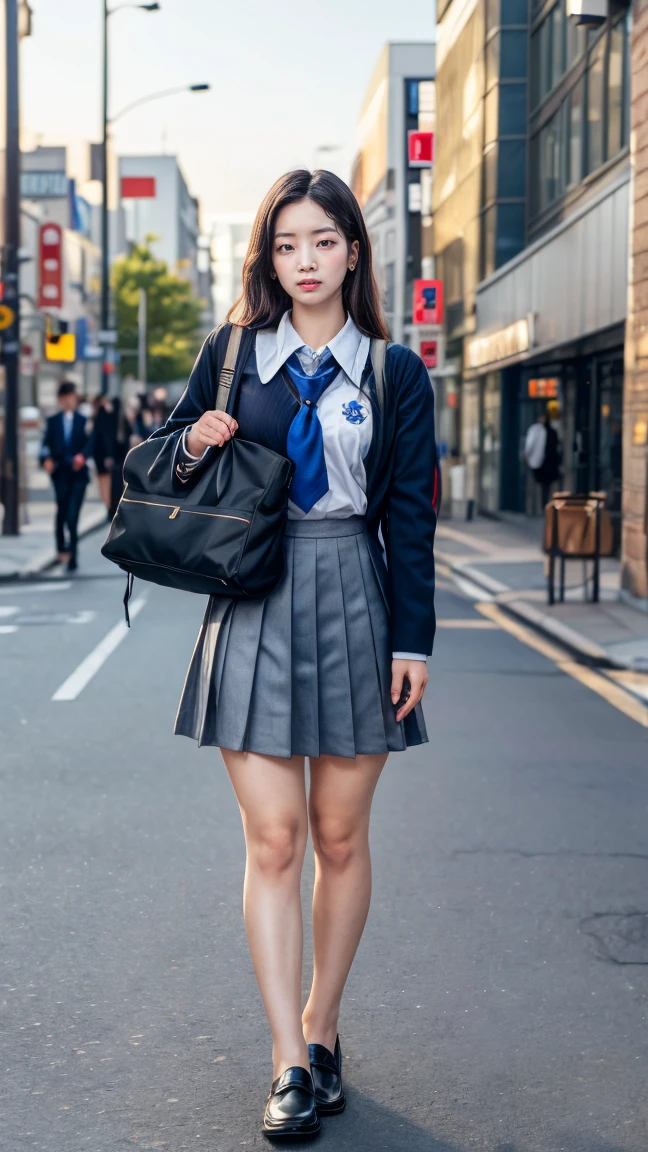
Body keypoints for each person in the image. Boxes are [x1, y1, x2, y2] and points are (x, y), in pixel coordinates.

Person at [151, 170, 437, 1139]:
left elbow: (411, 517)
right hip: (255, 600)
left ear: (355, 251)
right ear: (267, 258)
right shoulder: (233, 354)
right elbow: (167, 463)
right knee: (273, 840)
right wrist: (197, 440)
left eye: (322, 242)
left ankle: (323, 1027)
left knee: (340, 837)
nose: (304, 262)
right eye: (286, 245)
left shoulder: (397, 375)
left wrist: (413, 639)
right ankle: (287, 1065)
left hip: (356, 595)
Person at [40, 381, 93, 572]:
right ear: (60, 400)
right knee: (61, 512)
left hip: (78, 475)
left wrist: (83, 456)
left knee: (72, 516)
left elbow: (90, 443)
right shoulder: (53, 421)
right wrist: (45, 458)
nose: (70, 401)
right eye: (67, 398)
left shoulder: (83, 420)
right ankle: (61, 547)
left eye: (73, 397)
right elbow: (45, 445)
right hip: (60, 474)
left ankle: (73, 556)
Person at [524, 400, 562, 507]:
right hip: (547, 463)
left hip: (544, 463)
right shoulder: (549, 431)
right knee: (547, 486)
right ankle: (544, 506)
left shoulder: (538, 430)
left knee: (543, 486)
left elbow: (529, 447)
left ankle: (543, 506)